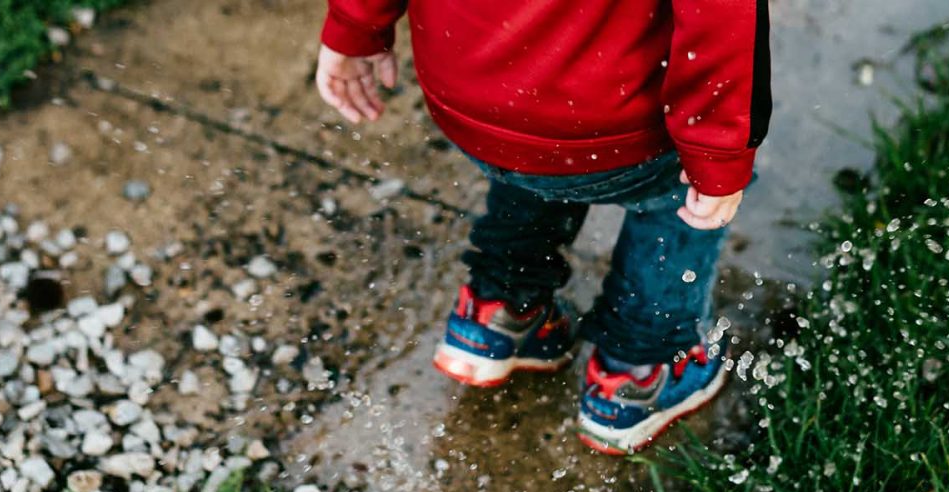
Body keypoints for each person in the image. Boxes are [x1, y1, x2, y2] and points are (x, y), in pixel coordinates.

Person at [315, 0, 771, 455]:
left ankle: (500, 308)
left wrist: (354, 26)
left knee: (533, 141)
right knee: (676, 195)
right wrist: (717, 151)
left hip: (473, 96)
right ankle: (642, 367)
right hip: (610, 116)